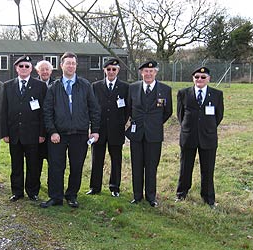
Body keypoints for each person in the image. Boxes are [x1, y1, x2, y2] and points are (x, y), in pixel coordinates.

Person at [41, 51, 100, 208]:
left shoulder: (85, 86)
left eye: (73, 63)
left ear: (76, 66)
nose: (71, 66)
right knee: (56, 166)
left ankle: (72, 195)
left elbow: (94, 109)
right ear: (61, 66)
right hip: (58, 135)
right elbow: (47, 111)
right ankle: (56, 197)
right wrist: (52, 131)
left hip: (79, 134)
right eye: (68, 63)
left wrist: (95, 130)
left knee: (76, 165)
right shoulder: (54, 87)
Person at [176, 66, 224, 208]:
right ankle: (181, 194)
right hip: (188, 136)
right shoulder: (183, 93)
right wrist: (190, 128)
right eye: (197, 77)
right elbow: (180, 115)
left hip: (208, 137)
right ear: (193, 79)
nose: (200, 79)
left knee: (208, 169)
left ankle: (208, 198)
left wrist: (207, 128)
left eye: (203, 77)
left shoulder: (216, 94)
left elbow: (218, 116)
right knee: (185, 167)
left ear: (209, 79)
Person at [1, 55, 47, 202]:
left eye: (27, 66)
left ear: (31, 69)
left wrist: (42, 133)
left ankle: (32, 191)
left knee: (33, 165)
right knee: (16, 164)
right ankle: (17, 191)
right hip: (14, 133)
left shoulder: (40, 86)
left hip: (33, 134)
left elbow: (44, 112)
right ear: (16, 68)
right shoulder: (8, 86)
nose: (24, 69)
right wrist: (5, 133)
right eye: (21, 66)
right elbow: (4, 110)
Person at [126, 60, 172, 207]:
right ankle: (137, 195)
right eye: (145, 71)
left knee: (152, 166)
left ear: (156, 73)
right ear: (141, 73)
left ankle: (151, 196)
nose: (148, 74)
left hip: (154, 134)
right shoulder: (132, 88)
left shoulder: (165, 89)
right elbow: (128, 108)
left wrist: (154, 124)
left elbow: (167, 112)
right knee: (136, 166)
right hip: (137, 134)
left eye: (151, 71)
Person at [87, 58, 129, 197]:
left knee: (116, 160)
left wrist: (121, 122)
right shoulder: (96, 86)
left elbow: (127, 109)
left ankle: (114, 187)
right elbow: (92, 108)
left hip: (116, 129)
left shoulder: (125, 87)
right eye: (108, 69)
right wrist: (93, 128)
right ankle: (95, 187)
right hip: (99, 129)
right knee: (97, 159)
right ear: (104, 70)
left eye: (114, 69)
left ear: (118, 71)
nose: (111, 72)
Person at [34, 60, 55, 177]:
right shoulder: (33, 85)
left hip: (52, 129)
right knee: (36, 160)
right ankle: (35, 185)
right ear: (38, 71)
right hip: (37, 129)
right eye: (42, 69)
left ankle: (52, 184)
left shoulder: (57, 84)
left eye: (47, 69)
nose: (45, 72)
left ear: (51, 71)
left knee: (53, 160)